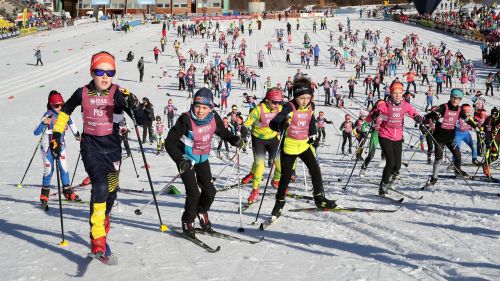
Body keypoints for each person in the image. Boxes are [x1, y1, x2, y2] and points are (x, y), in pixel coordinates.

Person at [50, 51, 144, 258]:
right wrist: (56, 134)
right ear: (92, 72)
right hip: (91, 148)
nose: (105, 77)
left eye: (109, 72)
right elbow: (65, 112)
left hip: (113, 149)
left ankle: (104, 217)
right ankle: (97, 237)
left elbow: (141, 120)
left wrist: (134, 104)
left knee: (110, 190)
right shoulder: (81, 93)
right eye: (100, 71)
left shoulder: (118, 93)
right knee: (100, 186)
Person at [165, 88, 243, 237]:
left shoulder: (214, 117)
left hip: (202, 159)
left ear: (210, 108)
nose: (200, 111)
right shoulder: (185, 119)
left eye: (204, 107)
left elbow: (221, 132)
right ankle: (188, 221)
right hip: (186, 160)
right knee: (193, 193)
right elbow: (170, 142)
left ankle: (201, 211)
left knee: (210, 191)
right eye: (197, 106)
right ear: (193, 104)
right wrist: (180, 159)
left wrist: (233, 139)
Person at [269, 77, 337, 218]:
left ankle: (319, 198)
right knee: (286, 177)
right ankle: (279, 202)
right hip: (290, 146)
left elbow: (311, 120)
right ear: (296, 97)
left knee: (315, 169)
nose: (305, 101)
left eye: (308, 97)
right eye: (302, 98)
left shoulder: (311, 106)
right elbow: (274, 122)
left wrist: (313, 134)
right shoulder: (289, 106)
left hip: (304, 144)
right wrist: (280, 125)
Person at [366, 82, 422, 195]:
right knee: (390, 162)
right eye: (395, 93)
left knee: (397, 166)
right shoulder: (384, 106)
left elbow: (414, 113)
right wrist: (374, 115)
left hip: (398, 137)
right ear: (391, 94)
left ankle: (388, 178)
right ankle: (383, 185)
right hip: (385, 135)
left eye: (400, 93)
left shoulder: (405, 105)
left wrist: (419, 118)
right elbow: (368, 119)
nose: (397, 95)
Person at [34, 90, 81, 208]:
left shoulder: (64, 114)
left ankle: (67, 191)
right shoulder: (48, 115)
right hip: (47, 148)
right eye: (56, 105)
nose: (60, 107)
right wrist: (44, 123)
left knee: (64, 168)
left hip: (61, 146)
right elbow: (36, 132)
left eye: (62, 104)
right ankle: (44, 194)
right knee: (49, 171)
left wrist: (77, 134)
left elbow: (71, 123)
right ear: (51, 105)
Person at [423, 88, 478, 187]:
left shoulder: (460, 109)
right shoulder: (444, 107)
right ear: (450, 97)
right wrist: (433, 117)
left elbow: (467, 120)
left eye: (457, 99)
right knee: (438, 158)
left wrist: (477, 128)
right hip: (439, 138)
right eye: (453, 97)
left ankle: (457, 171)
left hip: (450, 138)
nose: (455, 100)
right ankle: (434, 178)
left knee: (457, 155)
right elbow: (432, 114)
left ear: (460, 100)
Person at [242, 88, 284, 204]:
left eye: (279, 102)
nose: (277, 104)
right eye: (274, 102)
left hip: (273, 139)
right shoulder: (258, 110)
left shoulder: (280, 108)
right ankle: (255, 190)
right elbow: (245, 125)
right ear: (268, 99)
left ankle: (276, 181)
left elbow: (290, 115)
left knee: (280, 165)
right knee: (260, 165)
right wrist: (243, 136)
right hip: (258, 140)